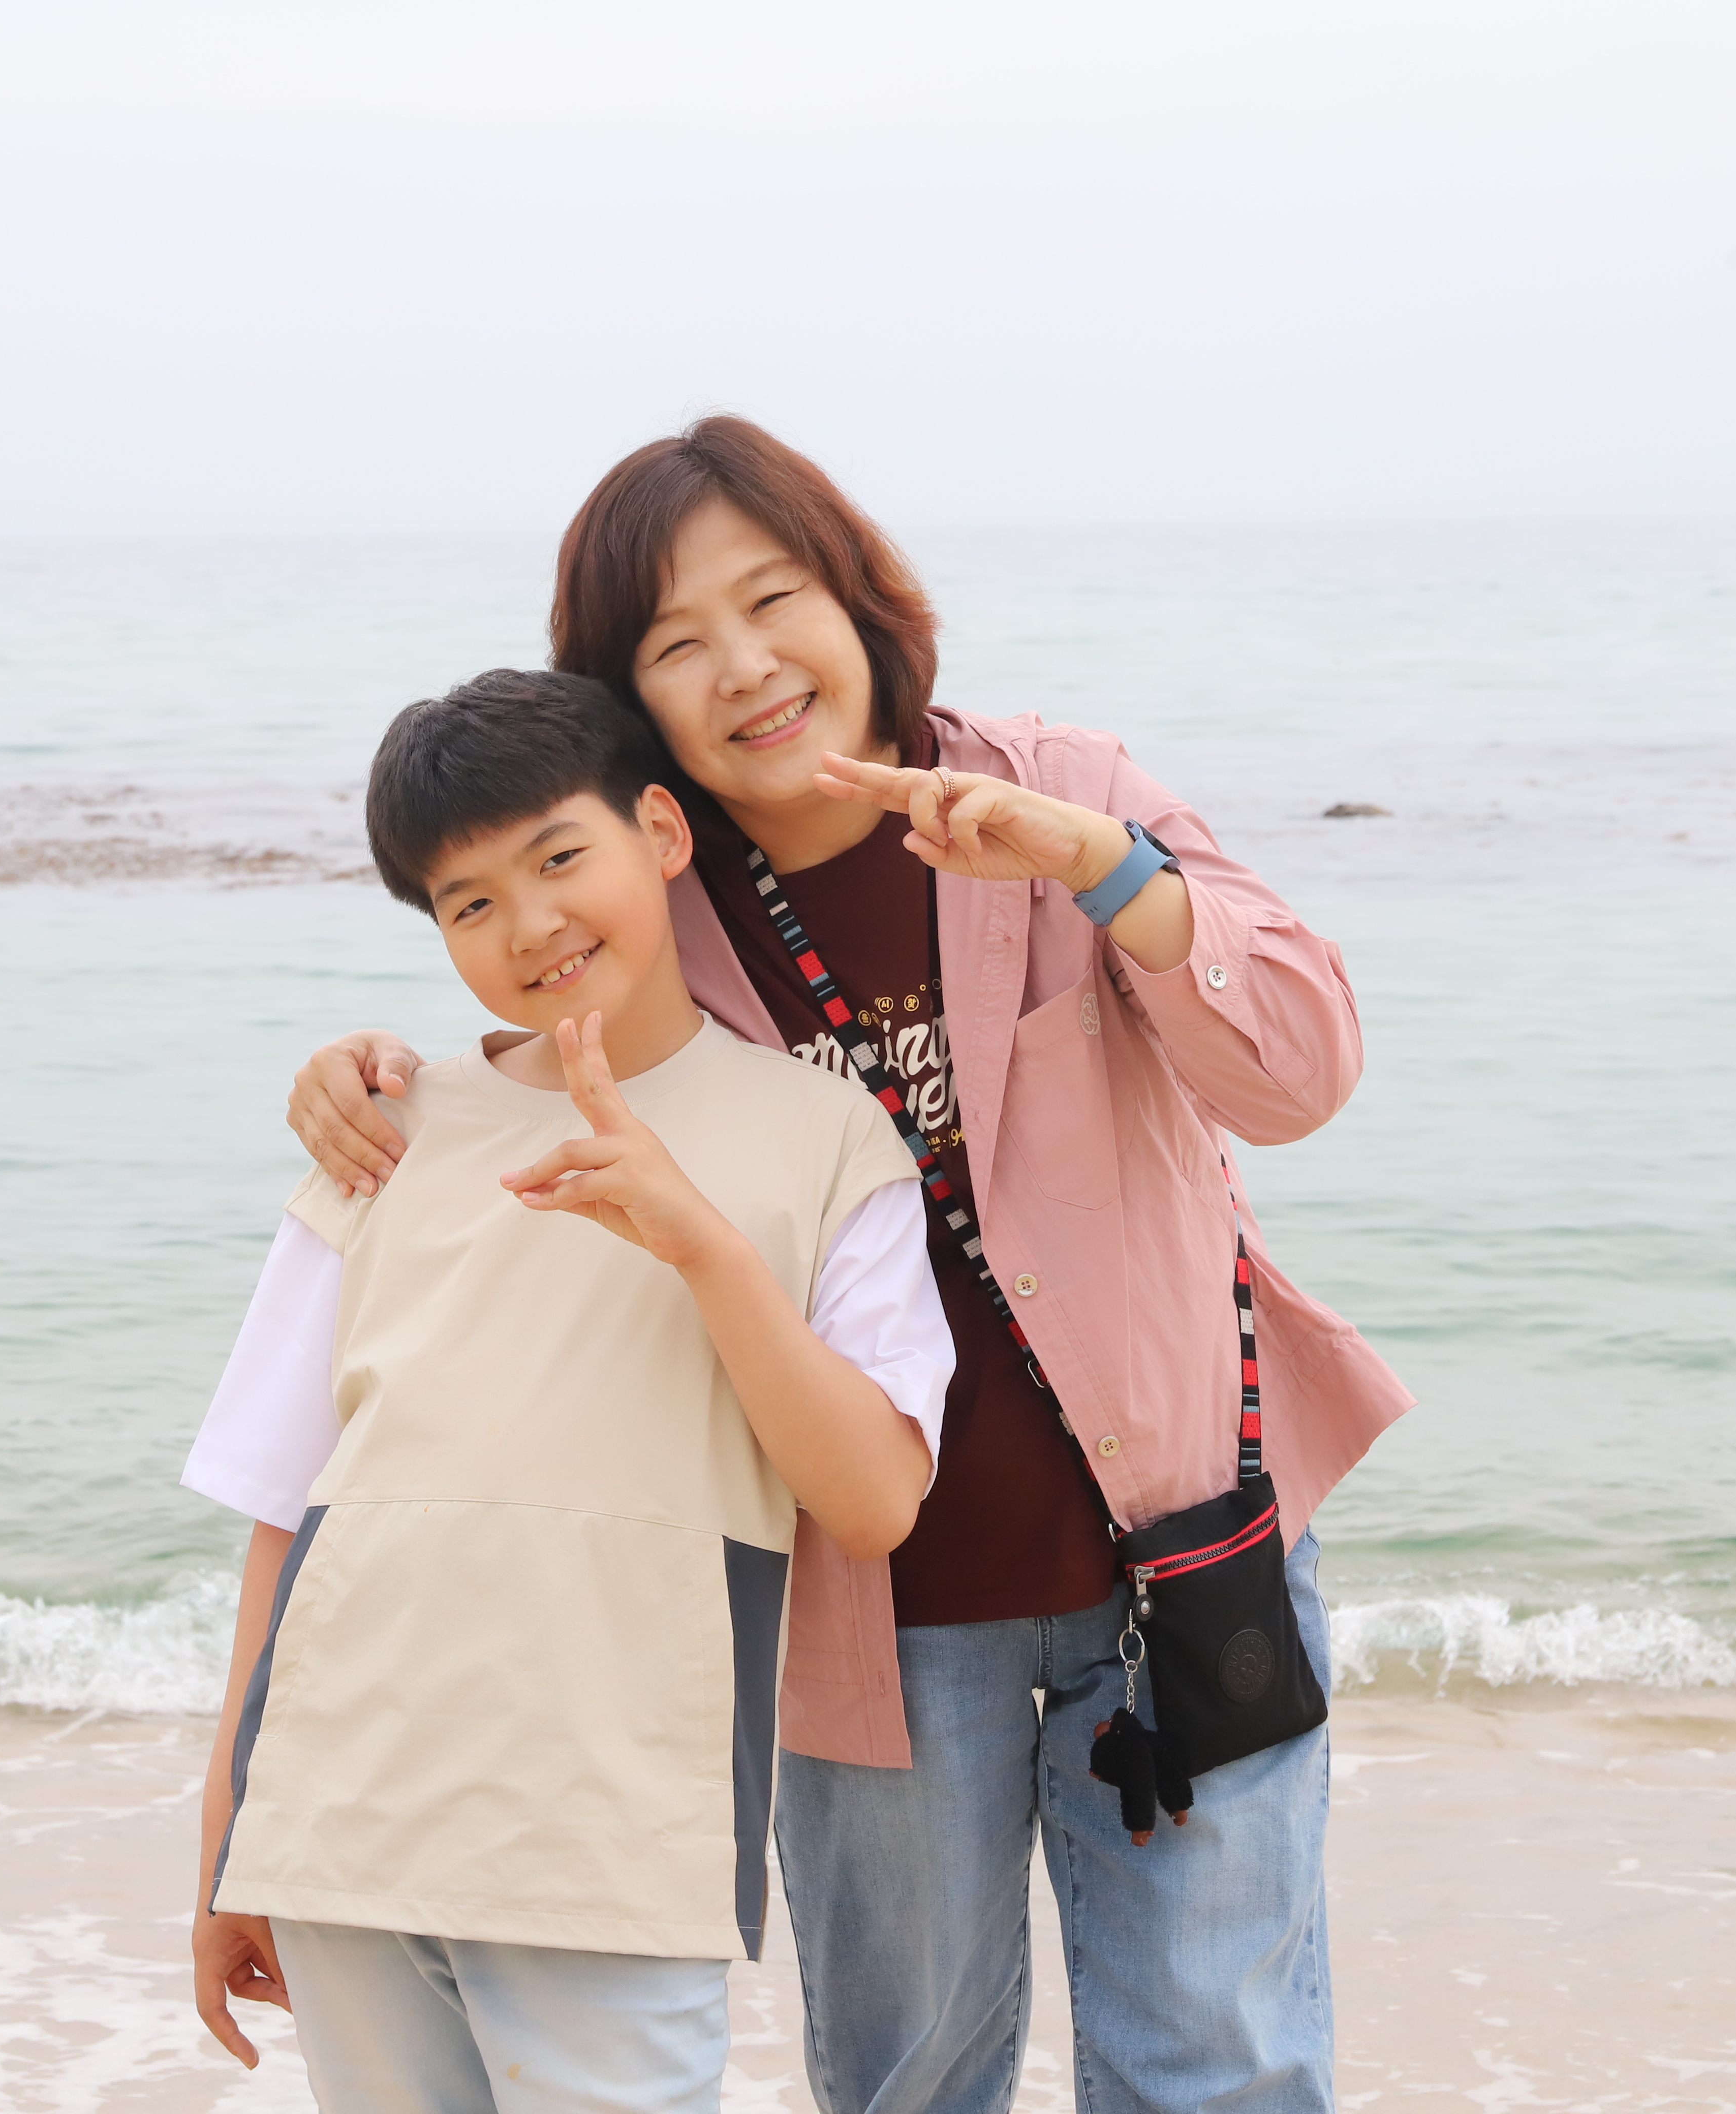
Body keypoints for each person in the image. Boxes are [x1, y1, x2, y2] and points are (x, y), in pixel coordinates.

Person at [288, 421, 1414, 2113]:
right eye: (677, 643)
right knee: (904, 2085)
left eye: (773, 599)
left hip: (1176, 1555)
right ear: (628, 706)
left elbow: (1304, 1073)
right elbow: (536, 1047)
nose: (746, 666)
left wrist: (1101, 871)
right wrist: (365, 1075)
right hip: (869, 1615)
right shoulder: (661, 895)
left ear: (857, 594)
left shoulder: (1063, 782)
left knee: (1225, 2070)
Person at [185, 668, 958, 2112]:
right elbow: (284, 1511)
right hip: (340, 1818)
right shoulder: (385, 1131)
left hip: (612, 1839)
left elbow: (874, 1502)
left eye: (558, 858)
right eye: (470, 902)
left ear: (659, 831)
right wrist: (231, 1833)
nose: (530, 923)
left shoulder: (825, 1137)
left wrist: (701, 1244)